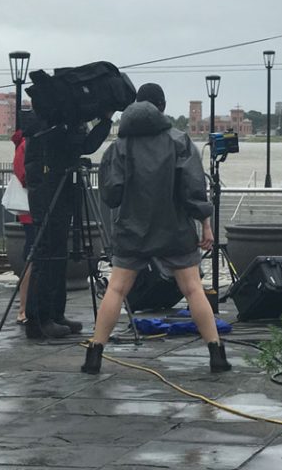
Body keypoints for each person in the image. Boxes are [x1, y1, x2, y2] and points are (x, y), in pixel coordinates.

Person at [81, 82, 231, 375]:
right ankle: (216, 354)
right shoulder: (179, 141)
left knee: (116, 289)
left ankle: (94, 355)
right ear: (161, 108)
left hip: (132, 232)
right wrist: (206, 225)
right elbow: (193, 190)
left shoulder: (119, 147)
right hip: (175, 230)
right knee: (192, 290)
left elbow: (111, 195)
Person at [24, 109, 112, 340]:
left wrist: (105, 118)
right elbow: (58, 145)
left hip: (61, 186)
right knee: (46, 251)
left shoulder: (66, 123)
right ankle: (38, 320)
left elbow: (84, 146)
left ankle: (56, 314)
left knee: (59, 249)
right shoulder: (46, 124)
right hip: (47, 188)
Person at [10, 125, 33, 324]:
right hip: (31, 211)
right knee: (32, 258)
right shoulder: (26, 145)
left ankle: (26, 307)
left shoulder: (23, 144)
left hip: (32, 211)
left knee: (32, 258)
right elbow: (24, 175)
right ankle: (23, 308)